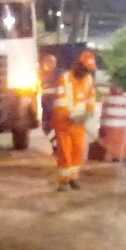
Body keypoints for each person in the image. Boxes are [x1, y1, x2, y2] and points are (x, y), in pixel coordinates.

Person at [52, 51, 98, 189]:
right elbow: (60, 102)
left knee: (77, 149)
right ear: (78, 66)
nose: (86, 72)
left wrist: (89, 113)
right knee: (65, 151)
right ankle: (64, 180)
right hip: (64, 123)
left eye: (88, 70)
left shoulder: (88, 80)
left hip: (79, 123)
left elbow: (91, 98)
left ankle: (73, 177)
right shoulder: (64, 79)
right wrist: (69, 115)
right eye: (85, 69)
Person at [39, 53, 58, 142]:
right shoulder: (39, 74)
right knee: (46, 127)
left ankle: (55, 143)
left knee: (56, 126)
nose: (51, 64)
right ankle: (53, 141)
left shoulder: (59, 74)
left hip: (56, 105)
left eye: (52, 62)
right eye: (48, 62)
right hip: (45, 106)